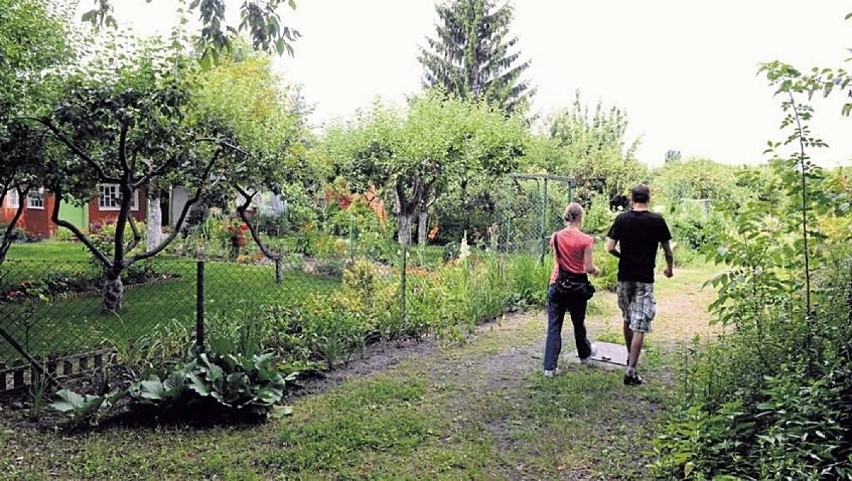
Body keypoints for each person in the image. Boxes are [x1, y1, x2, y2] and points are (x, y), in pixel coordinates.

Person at [605, 183, 673, 386]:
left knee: (627, 318)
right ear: (648, 198)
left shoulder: (621, 219)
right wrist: (669, 269)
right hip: (645, 278)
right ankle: (631, 370)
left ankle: (629, 357)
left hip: (625, 274)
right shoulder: (657, 220)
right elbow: (668, 251)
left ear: (632, 198)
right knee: (640, 323)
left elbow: (609, 247)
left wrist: (622, 256)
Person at [543, 202, 600, 377]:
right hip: (577, 287)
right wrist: (596, 271)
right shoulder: (586, 240)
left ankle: (549, 368)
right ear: (581, 217)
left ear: (567, 216)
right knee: (578, 323)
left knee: (554, 326)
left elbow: (557, 260)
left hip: (557, 284)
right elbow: (588, 267)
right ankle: (584, 355)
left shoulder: (556, 237)